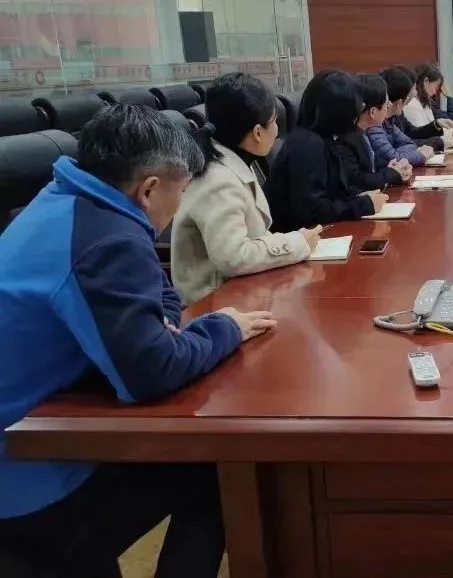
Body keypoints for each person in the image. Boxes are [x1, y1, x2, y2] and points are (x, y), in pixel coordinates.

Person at [0, 104, 276, 577]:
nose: (179, 206)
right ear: (149, 189)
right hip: (27, 472)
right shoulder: (106, 241)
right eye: (181, 192)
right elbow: (151, 372)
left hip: (44, 424)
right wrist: (225, 328)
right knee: (217, 472)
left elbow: (162, 292)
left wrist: (157, 326)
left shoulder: (71, 200)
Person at [172, 73, 323, 304]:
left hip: (242, 290)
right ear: (257, 132)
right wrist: (297, 243)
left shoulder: (231, 159)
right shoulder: (217, 180)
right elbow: (233, 257)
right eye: (274, 122)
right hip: (213, 304)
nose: (277, 130)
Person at [265, 70, 389, 231]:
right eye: (357, 107)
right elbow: (311, 211)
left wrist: (358, 197)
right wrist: (362, 205)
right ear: (339, 112)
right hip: (297, 237)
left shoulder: (325, 138)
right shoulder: (307, 145)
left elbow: (333, 191)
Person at [363, 71, 434, 168]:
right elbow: (392, 158)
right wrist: (421, 155)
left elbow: (410, 143)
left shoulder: (390, 121)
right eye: (386, 103)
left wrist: (397, 153)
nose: (388, 105)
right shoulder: (373, 125)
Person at [381, 66, 450, 152]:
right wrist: (436, 143)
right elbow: (399, 148)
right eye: (413, 88)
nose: (415, 92)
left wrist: (437, 124)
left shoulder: (396, 115)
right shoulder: (406, 107)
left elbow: (411, 134)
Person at [404, 63, 453, 138]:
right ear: (426, 81)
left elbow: (433, 129)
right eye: (436, 87)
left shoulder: (425, 103)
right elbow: (424, 135)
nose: (435, 93)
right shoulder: (412, 104)